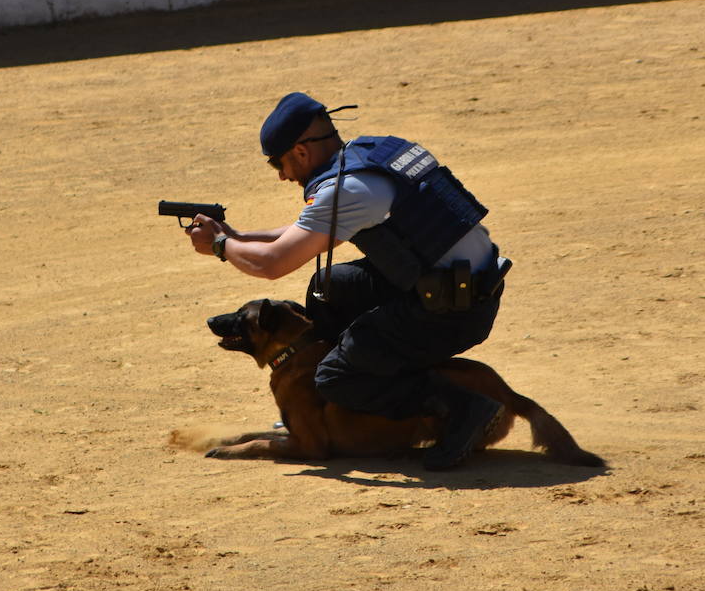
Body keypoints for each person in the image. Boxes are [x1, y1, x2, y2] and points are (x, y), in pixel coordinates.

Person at [185, 92, 511, 470]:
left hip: (450, 312)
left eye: (280, 162)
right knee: (330, 286)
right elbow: (300, 232)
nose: (282, 175)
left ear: (301, 152)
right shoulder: (367, 157)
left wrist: (221, 246)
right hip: (451, 286)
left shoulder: (347, 191)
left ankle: (464, 407)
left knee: (336, 377)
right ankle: (320, 409)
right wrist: (236, 236)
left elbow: (271, 265)